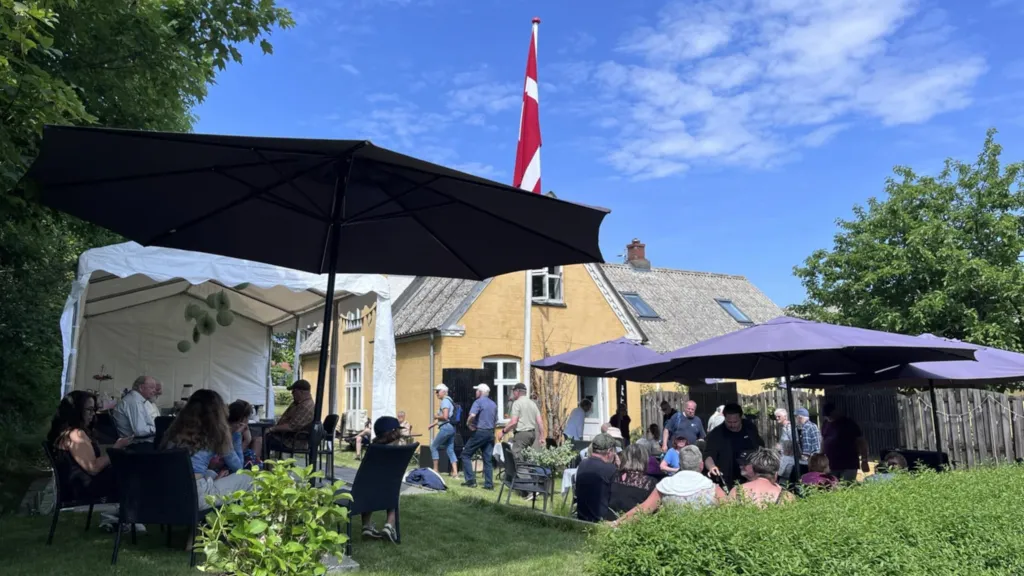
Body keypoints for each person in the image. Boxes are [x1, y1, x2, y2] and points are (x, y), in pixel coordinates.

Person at [161, 389, 252, 510]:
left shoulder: (173, 432)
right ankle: (247, 519)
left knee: (212, 473)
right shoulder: (216, 434)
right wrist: (237, 436)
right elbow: (238, 468)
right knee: (248, 478)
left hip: (169, 492)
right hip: (196, 496)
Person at [47, 391, 133, 503]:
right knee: (132, 473)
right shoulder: (76, 434)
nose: (93, 414)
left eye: (94, 410)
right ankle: (135, 510)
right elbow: (93, 468)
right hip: (83, 488)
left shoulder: (64, 432)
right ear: (76, 410)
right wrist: (116, 448)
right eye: (89, 410)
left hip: (77, 485)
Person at [613, 445, 725, 525]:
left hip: (672, 539)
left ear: (680, 464)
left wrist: (616, 523)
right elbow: (730, 510)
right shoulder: (712, 488)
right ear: (701, 465)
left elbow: (644, 509)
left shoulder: (666, 485)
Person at [358, 416, 405, 543]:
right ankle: (389, 525)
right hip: (389, 493)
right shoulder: (400, 451)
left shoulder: (372, 450)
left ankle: (367, 526)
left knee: (368, 487)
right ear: (394, 433)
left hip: (365, 496)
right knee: (393, 492)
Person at [704, 403, 765, 490]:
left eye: (735, 422)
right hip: (728, 477)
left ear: (741, 418)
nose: (732, 425)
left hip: (751, 476)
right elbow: (708, 454)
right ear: (724, 417)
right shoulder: (716, 434)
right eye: (729, 422)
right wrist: (711, 466)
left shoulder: (749, 427)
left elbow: (760, 446)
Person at [574, 433, 619, 522]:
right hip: (602, 521)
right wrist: (619, 467)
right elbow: (618, 498)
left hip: (582, 518)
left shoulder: (582, 464)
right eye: (614, 451)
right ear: (609, 451)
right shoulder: (611, 469)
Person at [821, 403, 870, 482]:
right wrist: (821, 456)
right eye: (827, 416)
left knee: (846, 485)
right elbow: (824, 441)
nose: (829, 418)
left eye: (830, 415)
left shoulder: (849, 424)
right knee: (831, 486)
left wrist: (864, 460)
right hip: (831, 465)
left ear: (836, 412)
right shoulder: (826, 424)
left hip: (848, 464)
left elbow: (861, 442)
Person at [264, 379, 315, 456]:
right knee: (261, 437)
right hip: (284, 437)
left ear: (301, 392)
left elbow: (291, 427)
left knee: (261, 440)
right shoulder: (298, 403)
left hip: (291, 442)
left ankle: (261, 462)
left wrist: (272, 429)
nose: (292, 393)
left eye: (294, 391)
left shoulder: (305, 407)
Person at [728, 447, 794, 506]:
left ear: (754, 469)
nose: (741, 466)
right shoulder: (786, 496)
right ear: (776, 474)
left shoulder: (737, 491)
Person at [462, 383, 498, 489]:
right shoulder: (493, 404)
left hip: (480, 432)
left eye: (477, 390)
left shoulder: (478, 402)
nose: (475, 392)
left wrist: (468, 424)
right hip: (490, 433)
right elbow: (495, 421)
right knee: (487, 459)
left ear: (480, 392)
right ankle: (489, 484)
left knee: (465, 454)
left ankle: (470, 481)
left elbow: (472, 415)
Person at [112, 375, 161, 446]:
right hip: (137, 445)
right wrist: (159, 428)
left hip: (142, 442)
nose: (154, 391)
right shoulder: (134, 402)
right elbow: (140, 431)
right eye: (151, 387)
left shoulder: (138, 400)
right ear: (141, 388)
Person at [498, 383, 545, 455]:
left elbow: (513, 422)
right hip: (532, 435)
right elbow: (540, 422)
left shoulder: (517, 403)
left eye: (513, 391)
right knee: (525, 456)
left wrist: (503, 432)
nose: (513, 393)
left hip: (522, 434)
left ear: (517, 391)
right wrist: (542, 437)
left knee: (516, 456)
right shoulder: (532, 403)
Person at [428, 383, 458, 478]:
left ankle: (435, 470)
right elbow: (447, 418)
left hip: (446, 428)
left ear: (444, 392)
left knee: (433, 446)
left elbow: (445, 417)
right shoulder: (450, 400)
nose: (436, 393)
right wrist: (433, 424)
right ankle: (455, 473)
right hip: (451, 428)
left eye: (437, 391)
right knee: (450, 450)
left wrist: (436, 416)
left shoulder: (445, 401)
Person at [227, 400, 262, 469]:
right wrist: (246, 441)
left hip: (234, 460)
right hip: (227, 464)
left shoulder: (235, 428)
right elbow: (233, 457)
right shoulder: (229, 431)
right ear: (243, 419)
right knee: (251, 457)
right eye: (248, 417)